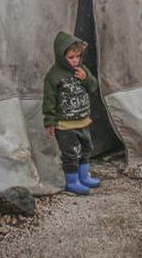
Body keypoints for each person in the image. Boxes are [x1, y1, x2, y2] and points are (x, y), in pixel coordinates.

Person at [43, 32, 102, 195]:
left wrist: (86, 78)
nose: (75, 60)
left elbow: (94, 87)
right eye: (71, 57)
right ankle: (72, 181)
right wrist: (49, 121)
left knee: (86, 148)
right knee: (70, 153)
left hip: (83, 121)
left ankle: (84, 177)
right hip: (65, 124)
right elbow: (49, 100)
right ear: (62, 57)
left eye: (78, 56)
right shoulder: (54, 76)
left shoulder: (81, 70)